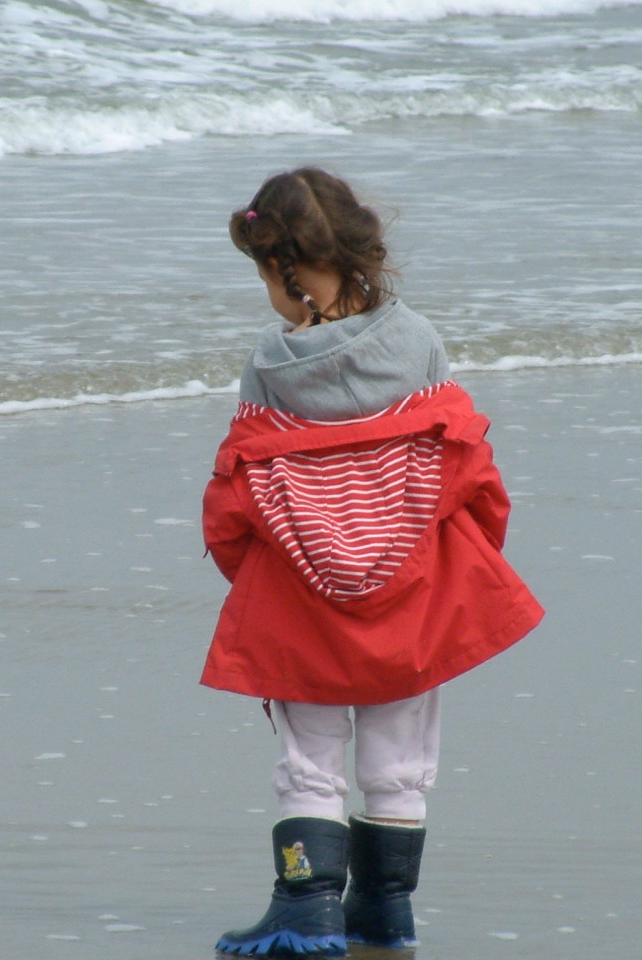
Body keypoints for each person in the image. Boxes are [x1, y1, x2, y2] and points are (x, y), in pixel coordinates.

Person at [200, 167, 545, 957]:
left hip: (298, 597)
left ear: (281, 269)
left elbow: (235, 493)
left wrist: (250, 574)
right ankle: (385, 910)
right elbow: (472, 472)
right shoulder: (418, 342)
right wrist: (460, 567)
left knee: (308, 756)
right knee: (400, 758)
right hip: (415, 593)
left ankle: (306, 906)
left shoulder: (269, 365)